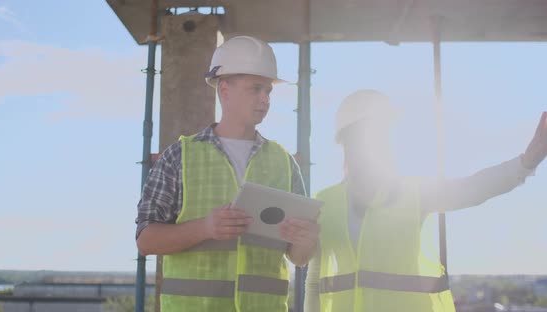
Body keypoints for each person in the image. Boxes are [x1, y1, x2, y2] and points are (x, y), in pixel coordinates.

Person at [304, 89, 547, 312]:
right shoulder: (326, 201)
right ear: (346, 140)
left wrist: (526, 163)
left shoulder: (411, 191)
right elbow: (315, 281)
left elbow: (472, 189)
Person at [135, 35, 319, 312]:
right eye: (255, 89)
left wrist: (306, 242)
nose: (265, 99)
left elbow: (299, 257)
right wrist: (205, 228)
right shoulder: (180, 156)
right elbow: (146, 240)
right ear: (224, 89)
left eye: (268, 90)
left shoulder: (284, 162)